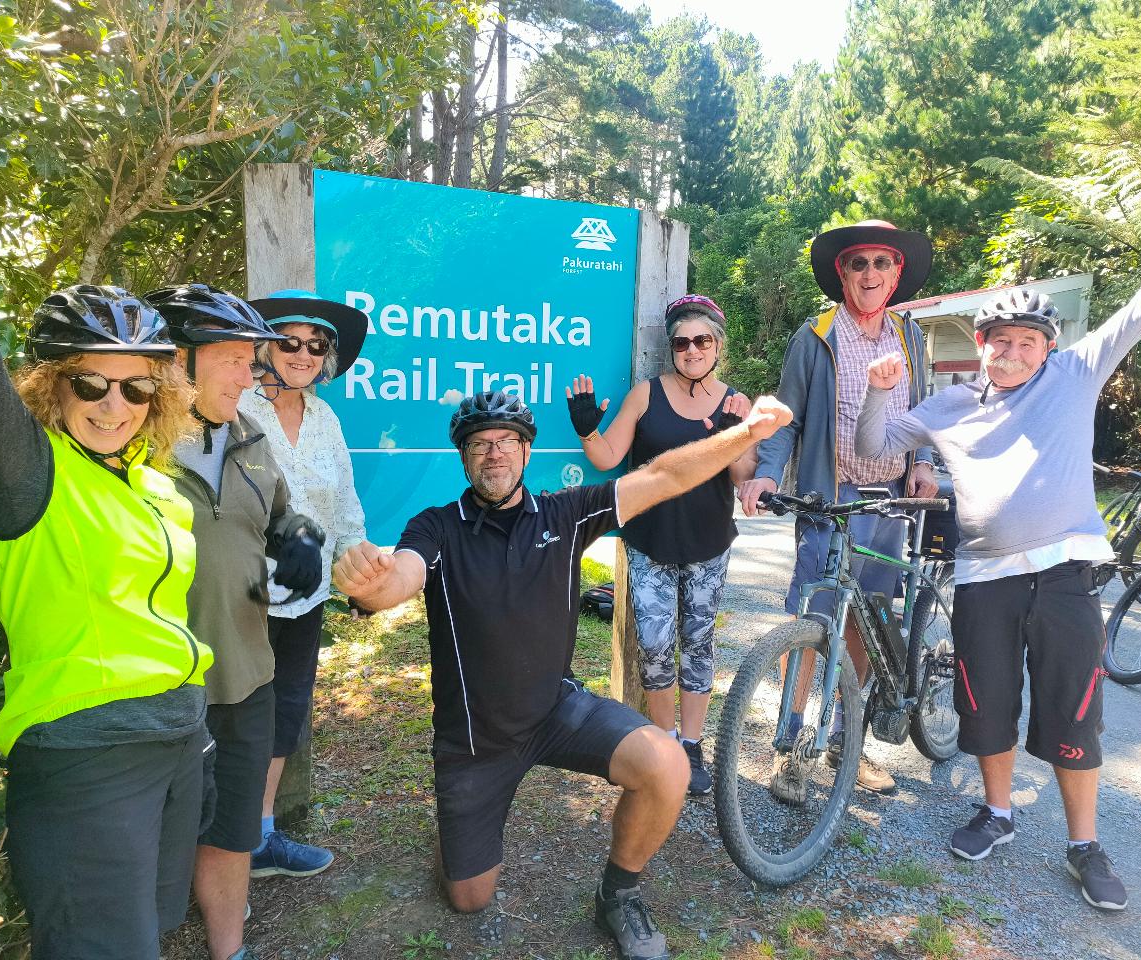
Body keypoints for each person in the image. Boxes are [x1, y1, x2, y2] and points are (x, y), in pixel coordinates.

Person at [854, 188, 1141, 912]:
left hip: (1064, 577)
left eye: (1027, 340)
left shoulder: (1076, 373)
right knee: (985, 706)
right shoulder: (950, 403)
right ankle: (997, 814)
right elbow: (874, 449)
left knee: (1073, 711)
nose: (1012, 350)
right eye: (1001, 339)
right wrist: (879, 393)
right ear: (982, 342)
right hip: (983, 580)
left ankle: (1084, 844)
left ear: (1048, 347)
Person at [333, 389, 792, 960]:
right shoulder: (437, 527)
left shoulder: (563, 514)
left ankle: (619, 894)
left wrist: (745, 434)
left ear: (527, 452)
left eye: (506, 442)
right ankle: (457, 846)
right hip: (476, 742)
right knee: (469, 898)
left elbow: (665, 477)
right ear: (463, 457)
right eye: (479, 444)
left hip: (556, 709)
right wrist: (370, 585)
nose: (493, 454)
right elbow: (400, 576)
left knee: (667, 762)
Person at [0, 241, 213, 959]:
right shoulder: (25, 477)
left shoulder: (153, 486)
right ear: (50, 387)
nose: (115, 404)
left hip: (175, 739)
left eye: (136, 387)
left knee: (150, 935)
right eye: (91, 383)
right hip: (85, 758)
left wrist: (196, 733)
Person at [147, 283, 325, 960]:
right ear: (174, 361)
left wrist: (301, 541)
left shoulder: (248, 436)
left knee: (231, 831)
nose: (248, 373)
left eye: (251, 357)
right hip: (161, 692)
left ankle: (231, 950)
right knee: (154, 845)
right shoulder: (130, 446)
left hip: (247, 679)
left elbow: (281, 516)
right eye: (227, 357)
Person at [737, 219, 938, 798]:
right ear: (842, 275)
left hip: (891, 499)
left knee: (867, 620)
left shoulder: (911, 337)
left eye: (882, 262)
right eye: (859, 263)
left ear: (897, 273)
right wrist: (769, 472)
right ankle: (791, 747)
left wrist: (923, 462)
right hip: (832, 498)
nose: (870, 273)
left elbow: (923, 411)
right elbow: (787, 414)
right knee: (813, 618)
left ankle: (846, 741)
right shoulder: (816, 334)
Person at [565, 294, 752, 796]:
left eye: (702, 340)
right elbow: (607, 458)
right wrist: (587, 427)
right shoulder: (646, 395)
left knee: (698, 647)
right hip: (649, 542)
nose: (692, 349)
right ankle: (667, 744)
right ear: (671, 348)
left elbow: (744, 474)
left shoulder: (737, 401)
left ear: (717, 345)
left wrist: (735, 438)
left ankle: (692, 745)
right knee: (655, 649)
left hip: (709, 543)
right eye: (682, 342)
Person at [238, 289, 368, 878]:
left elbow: (343, 506)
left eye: (316, 346)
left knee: (284, 711)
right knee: (232, 714)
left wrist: (359, 574)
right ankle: (220, 845)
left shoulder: (325, 416)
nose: (302, 353)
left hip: (307, 595)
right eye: (289, 341)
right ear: (265, 345)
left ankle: (260, 835)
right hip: (238, 595)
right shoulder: (234, 405)